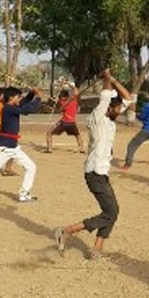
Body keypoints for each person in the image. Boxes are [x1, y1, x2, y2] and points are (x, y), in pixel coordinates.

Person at [54, 69, 132, 260]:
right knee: (111, 212)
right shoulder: (98, 118)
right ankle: (68, 231)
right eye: (117, 108)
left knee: (111, 211)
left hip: (101, 172)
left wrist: (112, 78)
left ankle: (97, 249)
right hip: (95, 173)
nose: (121, 111)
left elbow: (128, 98)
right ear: (108, 108)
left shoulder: (111, 119)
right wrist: (107, 78)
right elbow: (106, 95)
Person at [45, 83, 84, 153]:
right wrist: (70, 85)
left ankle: (49, 149)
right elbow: (76, 91)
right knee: (77, 135)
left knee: (49, 133)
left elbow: (58, 105)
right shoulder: (74, 101)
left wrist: (56, 100)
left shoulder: (62, 102)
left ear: (63, 97)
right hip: (72, 122)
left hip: (64, 122)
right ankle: (81, 148)